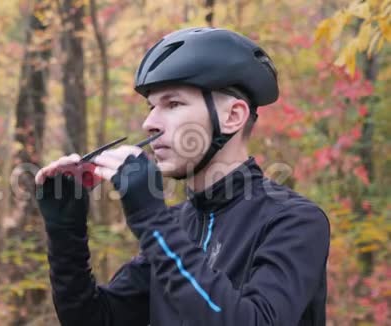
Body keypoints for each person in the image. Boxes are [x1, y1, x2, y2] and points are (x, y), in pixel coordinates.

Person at [35, 27, 330, 326]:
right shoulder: (175, 226)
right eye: (151, 107)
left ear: (232, 117)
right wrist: (65, 232)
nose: (149, 123)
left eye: (173, 104)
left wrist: (152, 222)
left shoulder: (294, 221)